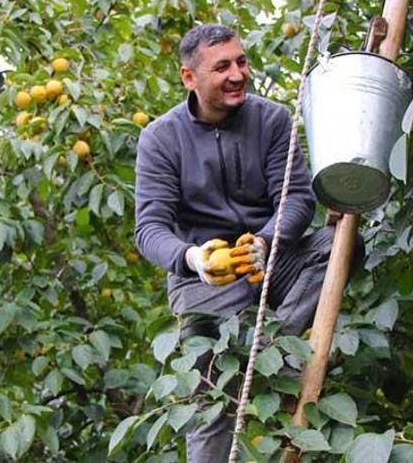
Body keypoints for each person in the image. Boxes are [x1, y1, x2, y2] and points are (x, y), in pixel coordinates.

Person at [133, 24, 361, 462]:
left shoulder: (272, 119)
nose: (238, 73)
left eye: (241, 61)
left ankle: (270, 349)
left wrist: (267, 239)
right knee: (210, 405)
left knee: (340, 244)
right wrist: (192, 258)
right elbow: (150, 229)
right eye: (222, 67)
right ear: (189, 78)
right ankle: (255, 363)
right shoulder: (161, 138)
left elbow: (295, 197)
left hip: (271, 261)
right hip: (207, 282)